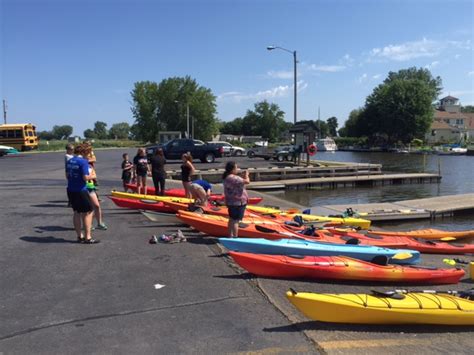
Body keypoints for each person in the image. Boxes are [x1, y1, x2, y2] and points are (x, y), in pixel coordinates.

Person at [66, 143, 99, 244]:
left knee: (76, 212)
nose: (89, 155)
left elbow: (67, 175)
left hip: (71, 189)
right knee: (88, 212)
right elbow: (85, 177)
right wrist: (92, 176)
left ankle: (79, 236)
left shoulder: (70, 160)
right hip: (81, 190)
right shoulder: (83, 162)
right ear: (84, 152)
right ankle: (87, 237)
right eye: (88, 152)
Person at [223, 161, 250, 238]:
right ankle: (235, 237)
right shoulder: (233, 178)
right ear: (232, 169)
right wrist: (247, 175)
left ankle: (230, 236)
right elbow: (247, 181)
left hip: (231, 201)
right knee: (236, 221)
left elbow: (238, 181)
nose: (237, 169)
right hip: (238, 202)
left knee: (231, 219)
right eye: (236, 168)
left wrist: (242, 176)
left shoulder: (227, 177)